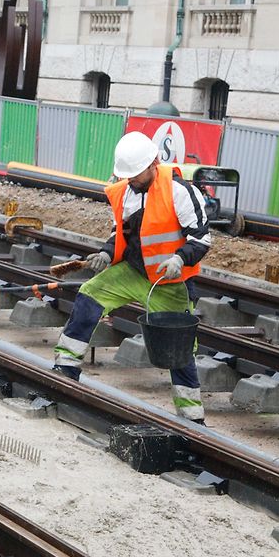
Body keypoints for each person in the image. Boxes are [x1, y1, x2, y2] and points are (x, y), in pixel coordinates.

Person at [51, 132, 211, 423]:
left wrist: (179, 258)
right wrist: (106, 253)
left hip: (167, 280)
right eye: (128, 177)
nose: (132, 181)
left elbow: (202, 239)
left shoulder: (179, 191)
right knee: (89, 295)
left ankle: (192, 416)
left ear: (154, 163)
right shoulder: (124, 191)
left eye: (136, 175)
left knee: (178, 344)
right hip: (134, 271)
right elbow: (121, 235)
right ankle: (65, 368)